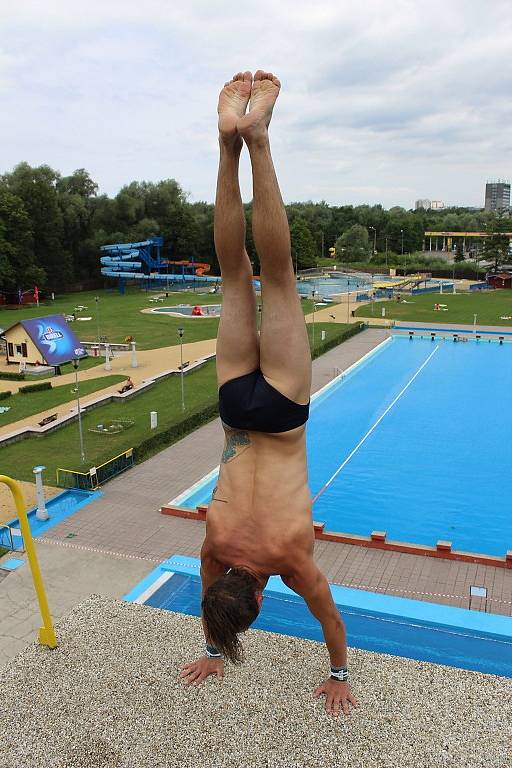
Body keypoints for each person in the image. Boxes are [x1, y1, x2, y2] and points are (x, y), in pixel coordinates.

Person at [180, 71, 358, 718]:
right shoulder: (214, 545)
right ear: (229, 584)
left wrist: (339, 673)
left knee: (278, 278)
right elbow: (211, 596)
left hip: (281, 415)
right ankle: (229, 147)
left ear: (261, 595)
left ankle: (258, 141)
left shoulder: (288, 559)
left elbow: (331, 619)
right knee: (236, 275)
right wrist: (209, 642)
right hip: (235, 409)